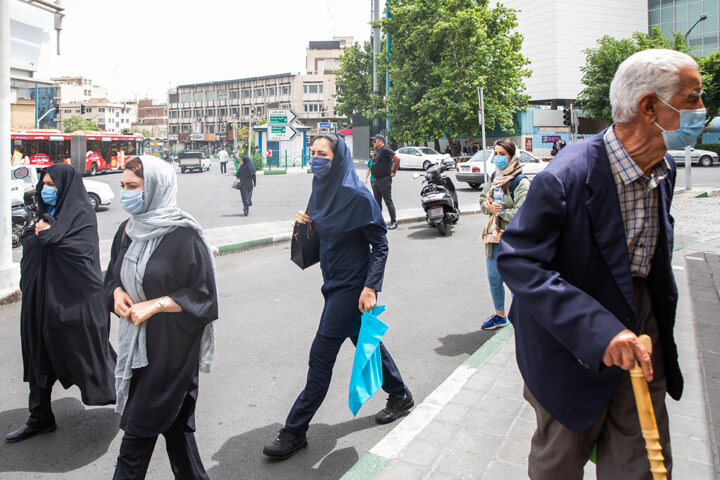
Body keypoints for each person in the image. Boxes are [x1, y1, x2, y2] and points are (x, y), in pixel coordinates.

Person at [496, 49, 704, 478]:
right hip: (567, 340)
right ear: (650, 107)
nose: (702, 111)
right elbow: (518, 263)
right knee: (560, 460)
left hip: (640, 328)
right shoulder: (565, 177)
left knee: (644, 463)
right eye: (692, 98)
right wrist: (599, 329)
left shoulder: (660, 168)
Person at [263, 133, 413, 460]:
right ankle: (400, 394)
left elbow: (381, 245)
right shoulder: (320, 191)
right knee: (364, 341)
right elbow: (320, 241)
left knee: (320, 356)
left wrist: (371, 287)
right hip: (331, 283)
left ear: (338, 157)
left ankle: (294, 430)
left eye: (323, 154)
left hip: (352, 287)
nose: (315, 158)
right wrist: (303, 226)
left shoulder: (357, 195)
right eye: (312, 152)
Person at [105, 156, 218, 479]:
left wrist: (154, 305)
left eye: (134, 187)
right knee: (177, 435)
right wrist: (115, 293)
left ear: (155, 188)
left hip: (172, 353)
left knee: (136, 438)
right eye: (123, 186)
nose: (127, 193)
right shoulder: (126, 231)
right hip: (135, 351)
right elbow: (112, 277)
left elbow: (204, 298)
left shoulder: (184, 236)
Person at [6, 163, 116, 444]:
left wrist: (48, 233)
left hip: (74, 302)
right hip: (40, 302)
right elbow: (31, 245)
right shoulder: (44, 215)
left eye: (52, 185)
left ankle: (130, 397)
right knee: (38, 356)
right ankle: (39, 417)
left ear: (66, 187)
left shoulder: (81, 215)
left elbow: (78, 254)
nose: (46, 189)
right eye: (44, 184)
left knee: (89, 356)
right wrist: (41, 233)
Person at [479, 139, 530, 330]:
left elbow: (521, 213)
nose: (499, 158)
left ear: (512, 157)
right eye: (497, 154)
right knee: (494, 278)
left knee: (515, 281)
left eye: (503, 154)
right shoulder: (495, 177)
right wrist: (487, 205)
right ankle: (500, 316)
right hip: (493, 236)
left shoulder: (521, 182)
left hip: (514, 240)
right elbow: (483, 197)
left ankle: (521, 318)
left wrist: (499, 212)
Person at [370, 134, 401, 230]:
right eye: (373, 141)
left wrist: (394, 171)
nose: (373, 143)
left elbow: (397, 158)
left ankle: (394, 222)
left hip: (384, 180)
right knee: (377, 202)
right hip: (376, 180)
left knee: (388, 201)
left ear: (381, 142)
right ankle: (379, 222)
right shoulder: (377, 151)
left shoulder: (385, 150)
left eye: (375, 141)